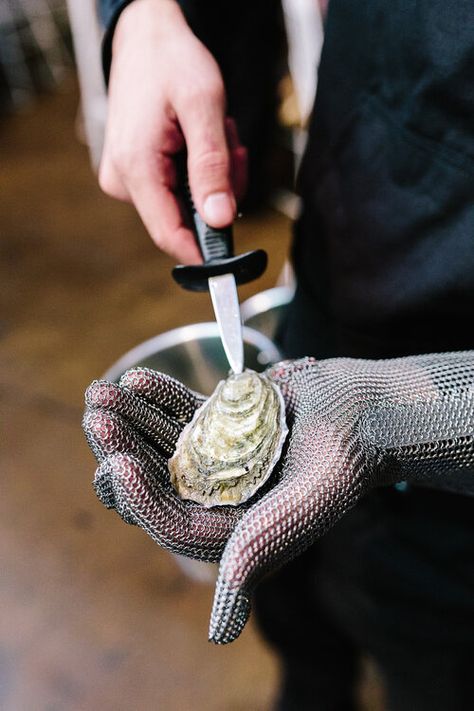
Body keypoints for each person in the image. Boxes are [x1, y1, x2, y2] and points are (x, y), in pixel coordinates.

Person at [85, 1, 474, 709]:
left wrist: (416, 416)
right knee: (297, 621)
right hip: (335, 275)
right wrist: (143, 17)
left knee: (432, 664)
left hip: (453, 489)